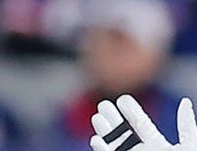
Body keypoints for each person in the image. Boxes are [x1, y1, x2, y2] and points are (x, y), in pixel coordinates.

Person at [60, 0, 181, 143]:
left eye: (118, 44)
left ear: (155, 56)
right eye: (94, 39)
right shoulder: (65, 120)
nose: (102, 51)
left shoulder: (180, 121)